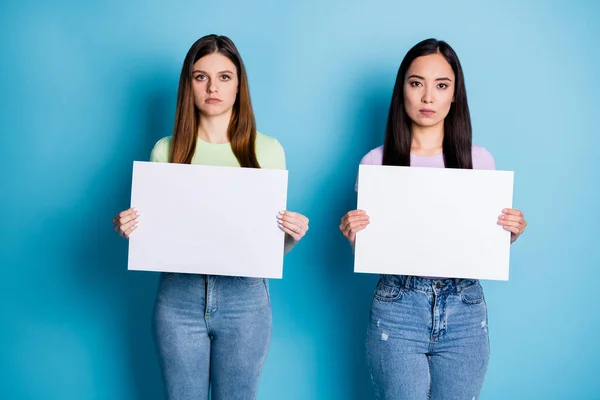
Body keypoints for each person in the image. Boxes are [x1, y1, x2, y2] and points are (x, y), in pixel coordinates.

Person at [113, 34, 309, 400]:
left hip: (245, 299)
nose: (212, 87)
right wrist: (131, 230)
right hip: (178, 298)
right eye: (200, 76)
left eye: (224, 77)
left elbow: (267, 251)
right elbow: (156, 238)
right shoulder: (166, 150)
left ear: (239, 86)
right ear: (188, 86)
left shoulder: (267, 150)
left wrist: (291, 236)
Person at [339, 38, 527, 400]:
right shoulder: (376, 162)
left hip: (464, 306)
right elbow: (374, 248)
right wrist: (355, 237)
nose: (428, 97)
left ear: (455, 94)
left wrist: (509, 232)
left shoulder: (480, 161)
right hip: (398, 305)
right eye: (416, 83)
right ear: (402, 90)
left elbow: (484, 242)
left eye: (441, 85)